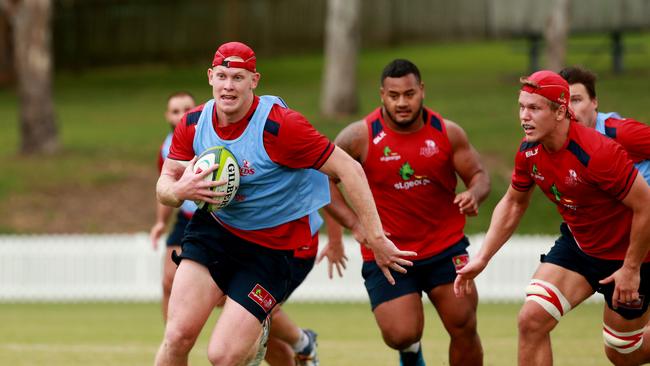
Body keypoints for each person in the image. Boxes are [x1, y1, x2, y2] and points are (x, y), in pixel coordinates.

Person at [154, 41, 415, 366]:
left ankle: (271, 334)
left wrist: (374, 235)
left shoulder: (282, 127)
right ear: (210, 77)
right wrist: (180, 189)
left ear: (254, 80)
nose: (228, 86)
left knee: (222, 356)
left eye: (238, 77)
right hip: (215, 232)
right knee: (176, 336)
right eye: (222, 76)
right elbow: (164, 183)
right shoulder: (194, 123)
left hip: (271, 249)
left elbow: (349, 169)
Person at [454, 70, 650, 366]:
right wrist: (483, 257)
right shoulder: (529, 151)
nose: (524, 116)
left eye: (534, 108)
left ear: (560, 111)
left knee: (623, 353)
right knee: (531, 320)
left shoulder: (599, 153)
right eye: (521, 106)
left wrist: (631, 268)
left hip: (629, 256)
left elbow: (646, 206)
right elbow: (513, 203)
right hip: (580, 247)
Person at [327, 59, 490, 366]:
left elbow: (479, 175)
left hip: (444, 247)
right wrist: (353, 225)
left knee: (463, 323)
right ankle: (411, 351)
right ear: (382, 95)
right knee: (401, 334)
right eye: (394, 95)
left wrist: (474, 193)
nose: (402, 102)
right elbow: (322, 182)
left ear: (422, 91)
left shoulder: (447, 132)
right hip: (388, 251)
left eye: (409, 94)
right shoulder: (358, 136)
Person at [149, 91, 196, 321]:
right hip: (187, 218)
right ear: (168, 116)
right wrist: (160, 223)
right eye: (176, 111)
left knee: (222, 294)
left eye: (187, 109)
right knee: (168, 281)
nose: (181, 116)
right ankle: (171, 344)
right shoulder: (166, 149)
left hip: (218, 219)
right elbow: (167, 189)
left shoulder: (210, 137)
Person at [558, 66, 650, 181]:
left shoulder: (622, 132)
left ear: (594, 102)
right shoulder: (556, 144)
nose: (569, 109)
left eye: (576, 100)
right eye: (563, 102)